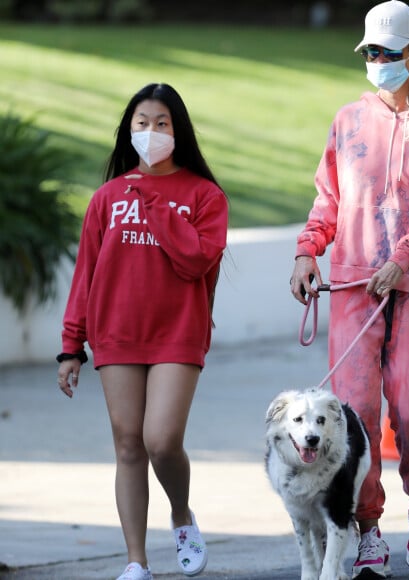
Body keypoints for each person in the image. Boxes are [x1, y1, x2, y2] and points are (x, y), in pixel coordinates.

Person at [290, 1, 409, 578]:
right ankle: (367, 529)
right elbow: (328, 198)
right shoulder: (348, 121)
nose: (378, 61)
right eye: (370, 52)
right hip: (352, 288)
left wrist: (407, 255)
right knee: (355, 414)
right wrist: (307, 251)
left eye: (388, 52)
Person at [56, 83, 229, 580]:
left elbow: (196, 259)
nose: (150, 133)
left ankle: (180, 514)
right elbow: (86, 273)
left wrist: (155, 207)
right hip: (116, 333)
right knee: (128, 443)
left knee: (161, 439)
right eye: (141, 123)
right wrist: (71, 346)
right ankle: (137, 562)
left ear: (179, 132)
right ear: (127, 130)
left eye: (161, 124)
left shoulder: (204, 196)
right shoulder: (108, 197)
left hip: (178, 331)